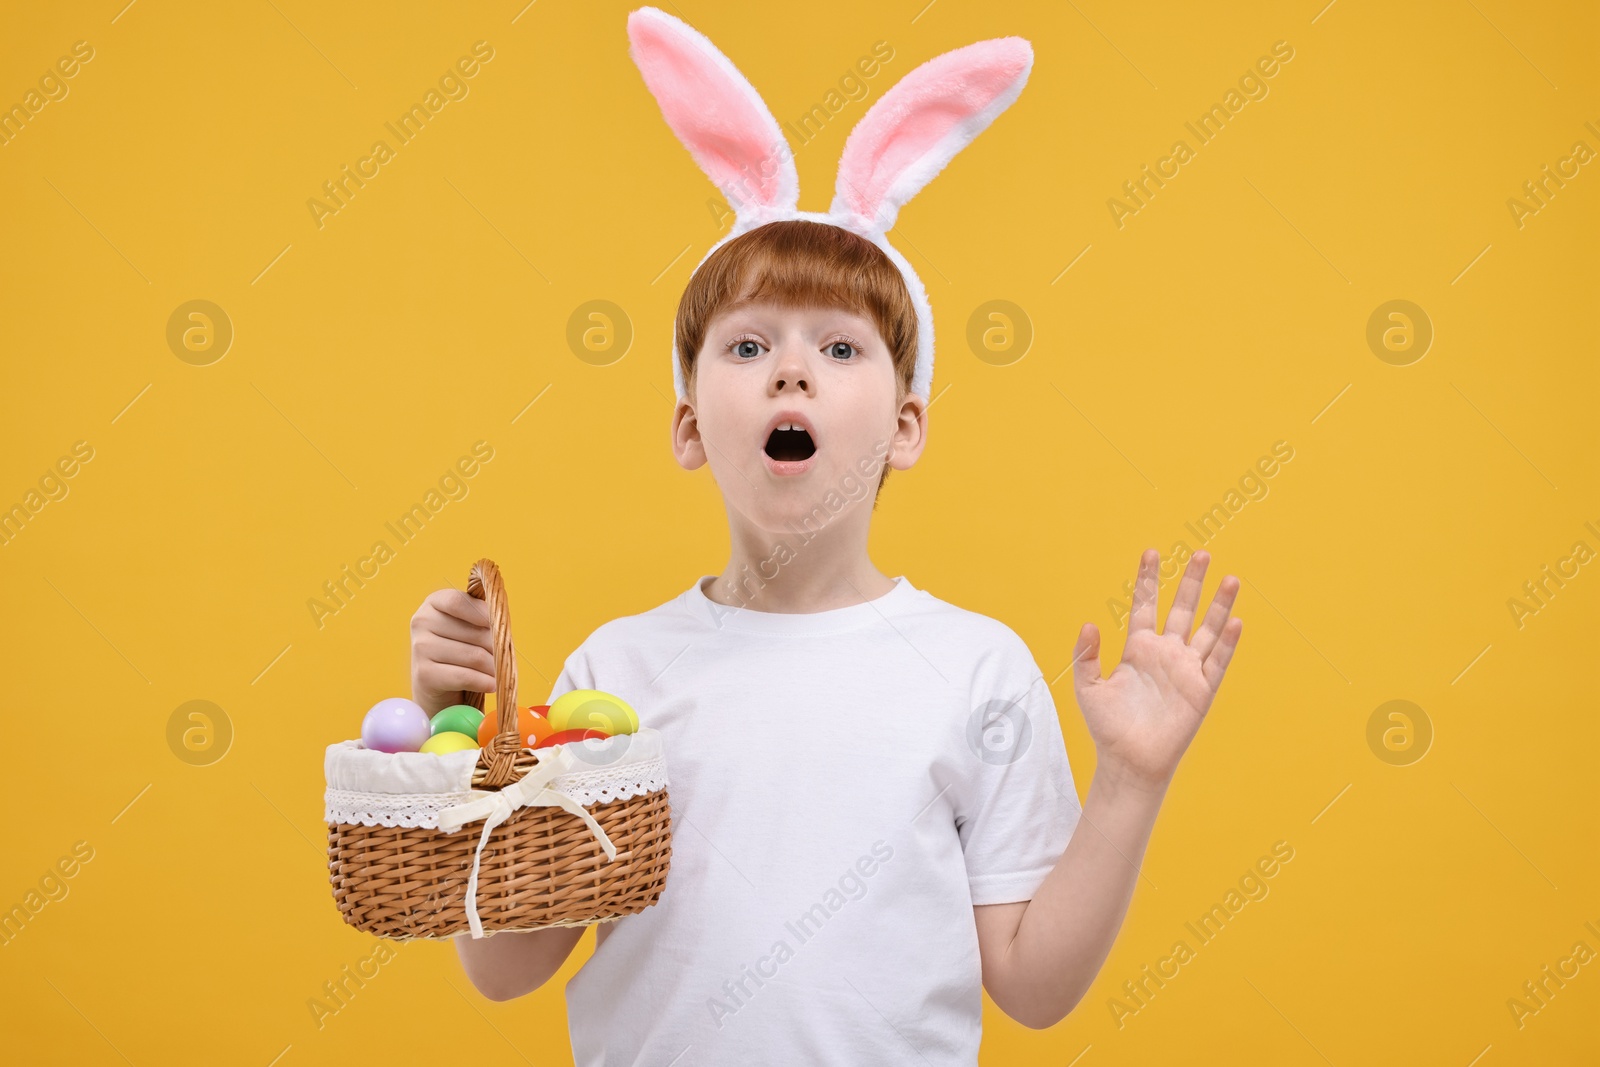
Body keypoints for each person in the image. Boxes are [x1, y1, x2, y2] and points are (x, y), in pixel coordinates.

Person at [409, 8, 1243, 1064]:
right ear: (686, 424)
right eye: (749, 342)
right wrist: (461, 735)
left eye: (840, 346)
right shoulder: (610, 675)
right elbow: (505, 968)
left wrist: (1129, 781)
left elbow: (1032, 984)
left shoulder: (973, 669)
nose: (790, 371)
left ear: (906, 425)